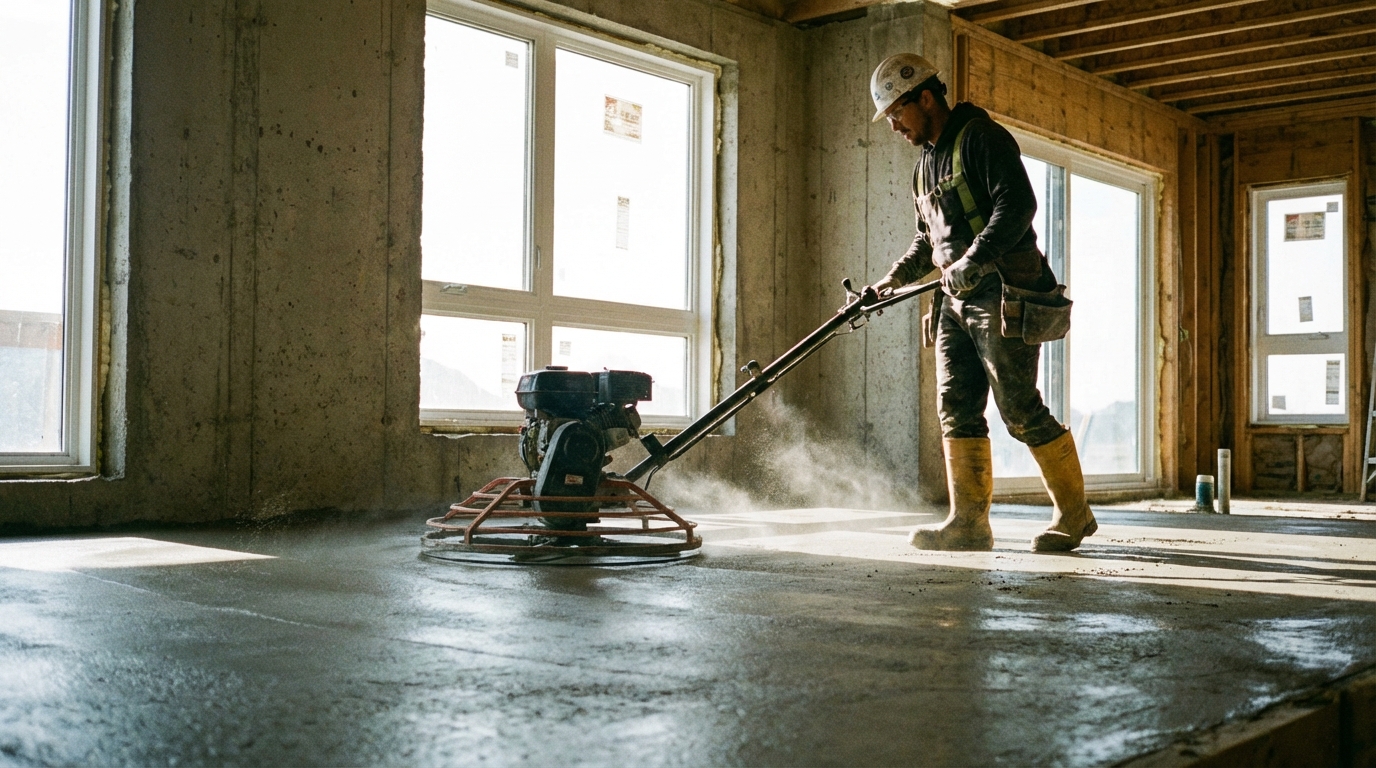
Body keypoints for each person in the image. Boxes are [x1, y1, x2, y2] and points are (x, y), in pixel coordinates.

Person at [866, 53, 1096, 553]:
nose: (894, 126)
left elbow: (1019, 204)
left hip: (1002, 290)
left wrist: (975, 258)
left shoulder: (980, 138)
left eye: (897, 113)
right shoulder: (924, 167)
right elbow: (927, 241)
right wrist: (891, 280)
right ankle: (968, 523)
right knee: (956, 407)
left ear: (926, 98)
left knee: (1018, 408)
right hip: (955, 298)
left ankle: (1075, 514)